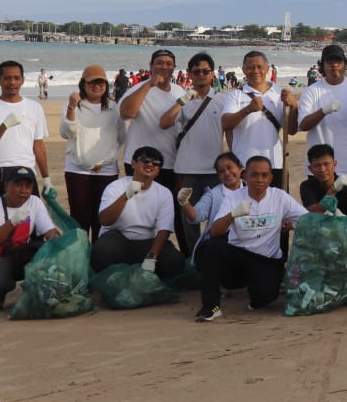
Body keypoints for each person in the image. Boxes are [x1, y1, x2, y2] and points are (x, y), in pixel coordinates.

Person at [197, 154, 306, 320]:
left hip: (266, 259)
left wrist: (295, 224)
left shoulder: (280, 196)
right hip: (238, 256)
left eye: (264, 175)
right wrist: (233, 214)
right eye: (254, 174)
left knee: (264, 297)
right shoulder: (234, 198)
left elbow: (306, 219)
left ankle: (258, 294)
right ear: (245, 175)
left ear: (270, 177)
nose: (259, 179)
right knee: (211, 247)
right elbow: (215, 232)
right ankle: (210, 306)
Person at [160, 52, 226, 256]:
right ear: (190, 74)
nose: (201, 75)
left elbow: (232, 129)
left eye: (205, 71)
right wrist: (183, 100)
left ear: (212, 74)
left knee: (217, 217)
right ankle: (193, 260)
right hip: (186, 169)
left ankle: (213, 258)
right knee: (189, 220)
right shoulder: (184, 99)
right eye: (196, 71)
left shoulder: (223, 100)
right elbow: (164, 123)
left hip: (214, 170)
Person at [0, 166, 64, 311]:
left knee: (46, 251)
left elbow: (49, 230)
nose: (24, 190)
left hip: (20, 256)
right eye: (18, 185)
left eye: (28, 186)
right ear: (5, 186)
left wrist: (55, 237)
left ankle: (38, 291)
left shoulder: (34, 202)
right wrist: (12, 223)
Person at [92, 145, 184, 278]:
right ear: (133, 163)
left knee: (174, 261)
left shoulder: (164, 193)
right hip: (118, 239)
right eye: (145, 160)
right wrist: (126, 196)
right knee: (100, 253)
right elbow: (105, 221)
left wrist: (152, 257)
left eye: (156, 163)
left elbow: (164, 230)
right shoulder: (115, 187)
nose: (150, 165)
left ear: (158, 171)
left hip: (146, 241)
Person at [0, 60, 51, 210]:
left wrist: (46, 178)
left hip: (25, 173)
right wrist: (4, 126)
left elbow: (38, 146)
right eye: (7, 78)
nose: (12, 82)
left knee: (31, 227)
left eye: (16, 78)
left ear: (23, 80)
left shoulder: (34, 108)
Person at [58, 64, 123, 238]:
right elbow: (66, 132)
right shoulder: (72, 106)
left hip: (107, 171)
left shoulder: (114, 107)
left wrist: (106, 153)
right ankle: (80, 256)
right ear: (83, 84)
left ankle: (97, 257)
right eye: (92, 82)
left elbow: (121, 137)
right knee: (80, 219)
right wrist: (72, 107)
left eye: (101, 82)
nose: (97, 86)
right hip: (77, 170)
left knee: (101, 218)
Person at [223, 50, 299, 189]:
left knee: (276, 208)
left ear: (267, 69)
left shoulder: (279, 93)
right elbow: (226, 124)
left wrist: (294, 106)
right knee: (245, 209)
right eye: (250, 67)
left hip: (275, 164)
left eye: (259, 67)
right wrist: (247, 109)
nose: (255, 71)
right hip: (244, 164)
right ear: (243, 70)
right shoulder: (235, 95)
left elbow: (292, 130)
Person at [296, 45, 347, 180]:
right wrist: (323, 111)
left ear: (345, 64)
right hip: (320, 168)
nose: (334, 65)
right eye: (329, 62)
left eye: (338, 62)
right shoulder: (311, 91)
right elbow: (303, 125)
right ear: (322, 65)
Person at [118, 49, 186, 191]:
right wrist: (149, 84)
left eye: (169, 63)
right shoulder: (138, 89)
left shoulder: (179, 91)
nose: (164, 67)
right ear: (151, 65)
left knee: (166, 208)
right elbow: (126, 113)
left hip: (171, 162)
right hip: (141, 163)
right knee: (139, 207)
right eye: (159, 63)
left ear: (174, 67)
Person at [180, 151, 244, 255]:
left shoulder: (252, 189)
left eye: (230, 167)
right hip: (221, 243)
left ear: (240, 167)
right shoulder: (213, 194)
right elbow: (196, 217)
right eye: (221, 171)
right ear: (218, 175)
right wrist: (185, 203)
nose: (227, 173)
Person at [297, 143, 347, 215]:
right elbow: (314, 212)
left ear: (334, 164)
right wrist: (333, 190)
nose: (322, 169)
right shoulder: (307, 186)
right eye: (317, 165)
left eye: (326, 164)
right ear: (310, 169)